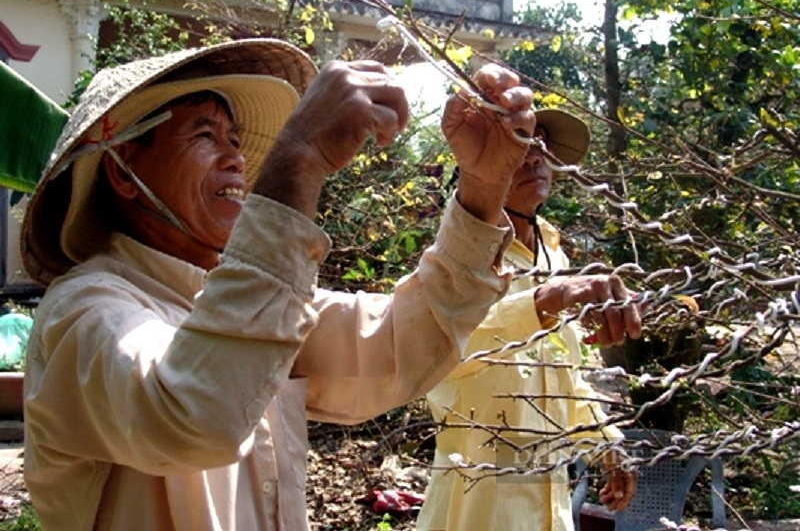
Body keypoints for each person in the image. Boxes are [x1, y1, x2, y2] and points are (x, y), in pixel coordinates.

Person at [19, 38, 549, 531]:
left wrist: (482, 188)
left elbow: (397, 347)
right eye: (204, 135)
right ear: (123, 170)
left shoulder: (242, 299)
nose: (236, 159)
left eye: (234, 139)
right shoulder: (84, 311)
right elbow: (192, 410)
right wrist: (298, 154)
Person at [416, 110, 639, 531]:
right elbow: (437, 354)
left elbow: (564, 375)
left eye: (539, 146)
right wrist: (540, 303)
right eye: (518, 147)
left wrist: (607, 445)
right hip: (478, 495)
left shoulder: (555, 256)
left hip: (548, 496)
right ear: (486, 165)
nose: (533, 158)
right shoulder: (460, 254)